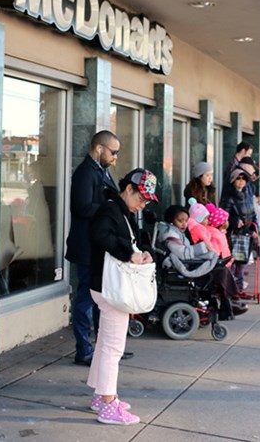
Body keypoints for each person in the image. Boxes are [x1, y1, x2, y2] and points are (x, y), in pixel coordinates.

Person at [87, 168, 157, 425]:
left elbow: (126, 239)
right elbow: (100, 236)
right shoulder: (111, 209)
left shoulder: (118, 209)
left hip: (105, 285)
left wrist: (142, 251)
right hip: (111, 288)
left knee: (106, 343)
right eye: (142, 198)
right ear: (129, 189)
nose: (143, 204)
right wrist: (130, 253)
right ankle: (108, 403)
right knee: (113, 347)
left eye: (147, 201)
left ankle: (100, 395)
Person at [66, 130, 121, 367]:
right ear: (99, 148)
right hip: (86, 246)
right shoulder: (84, 172)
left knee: (101, 299)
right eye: (113, 152)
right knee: (86, 299)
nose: (115, 158)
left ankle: (103, 349)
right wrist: (109, 207)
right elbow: (82, 208)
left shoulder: (102, 171)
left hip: (99, 246)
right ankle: (83, 349)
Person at [158, 204, 245, 320]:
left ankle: (229, 300)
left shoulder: (176, 232)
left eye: (186, 220)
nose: (184, 224)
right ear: (171, 220)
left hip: (186, 264)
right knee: (220, 271)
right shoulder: (170, 234)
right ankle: (229, 301)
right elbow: (183, 254)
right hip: (183, 268)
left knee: (220, 268)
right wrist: (204, 247)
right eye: (180, 221)